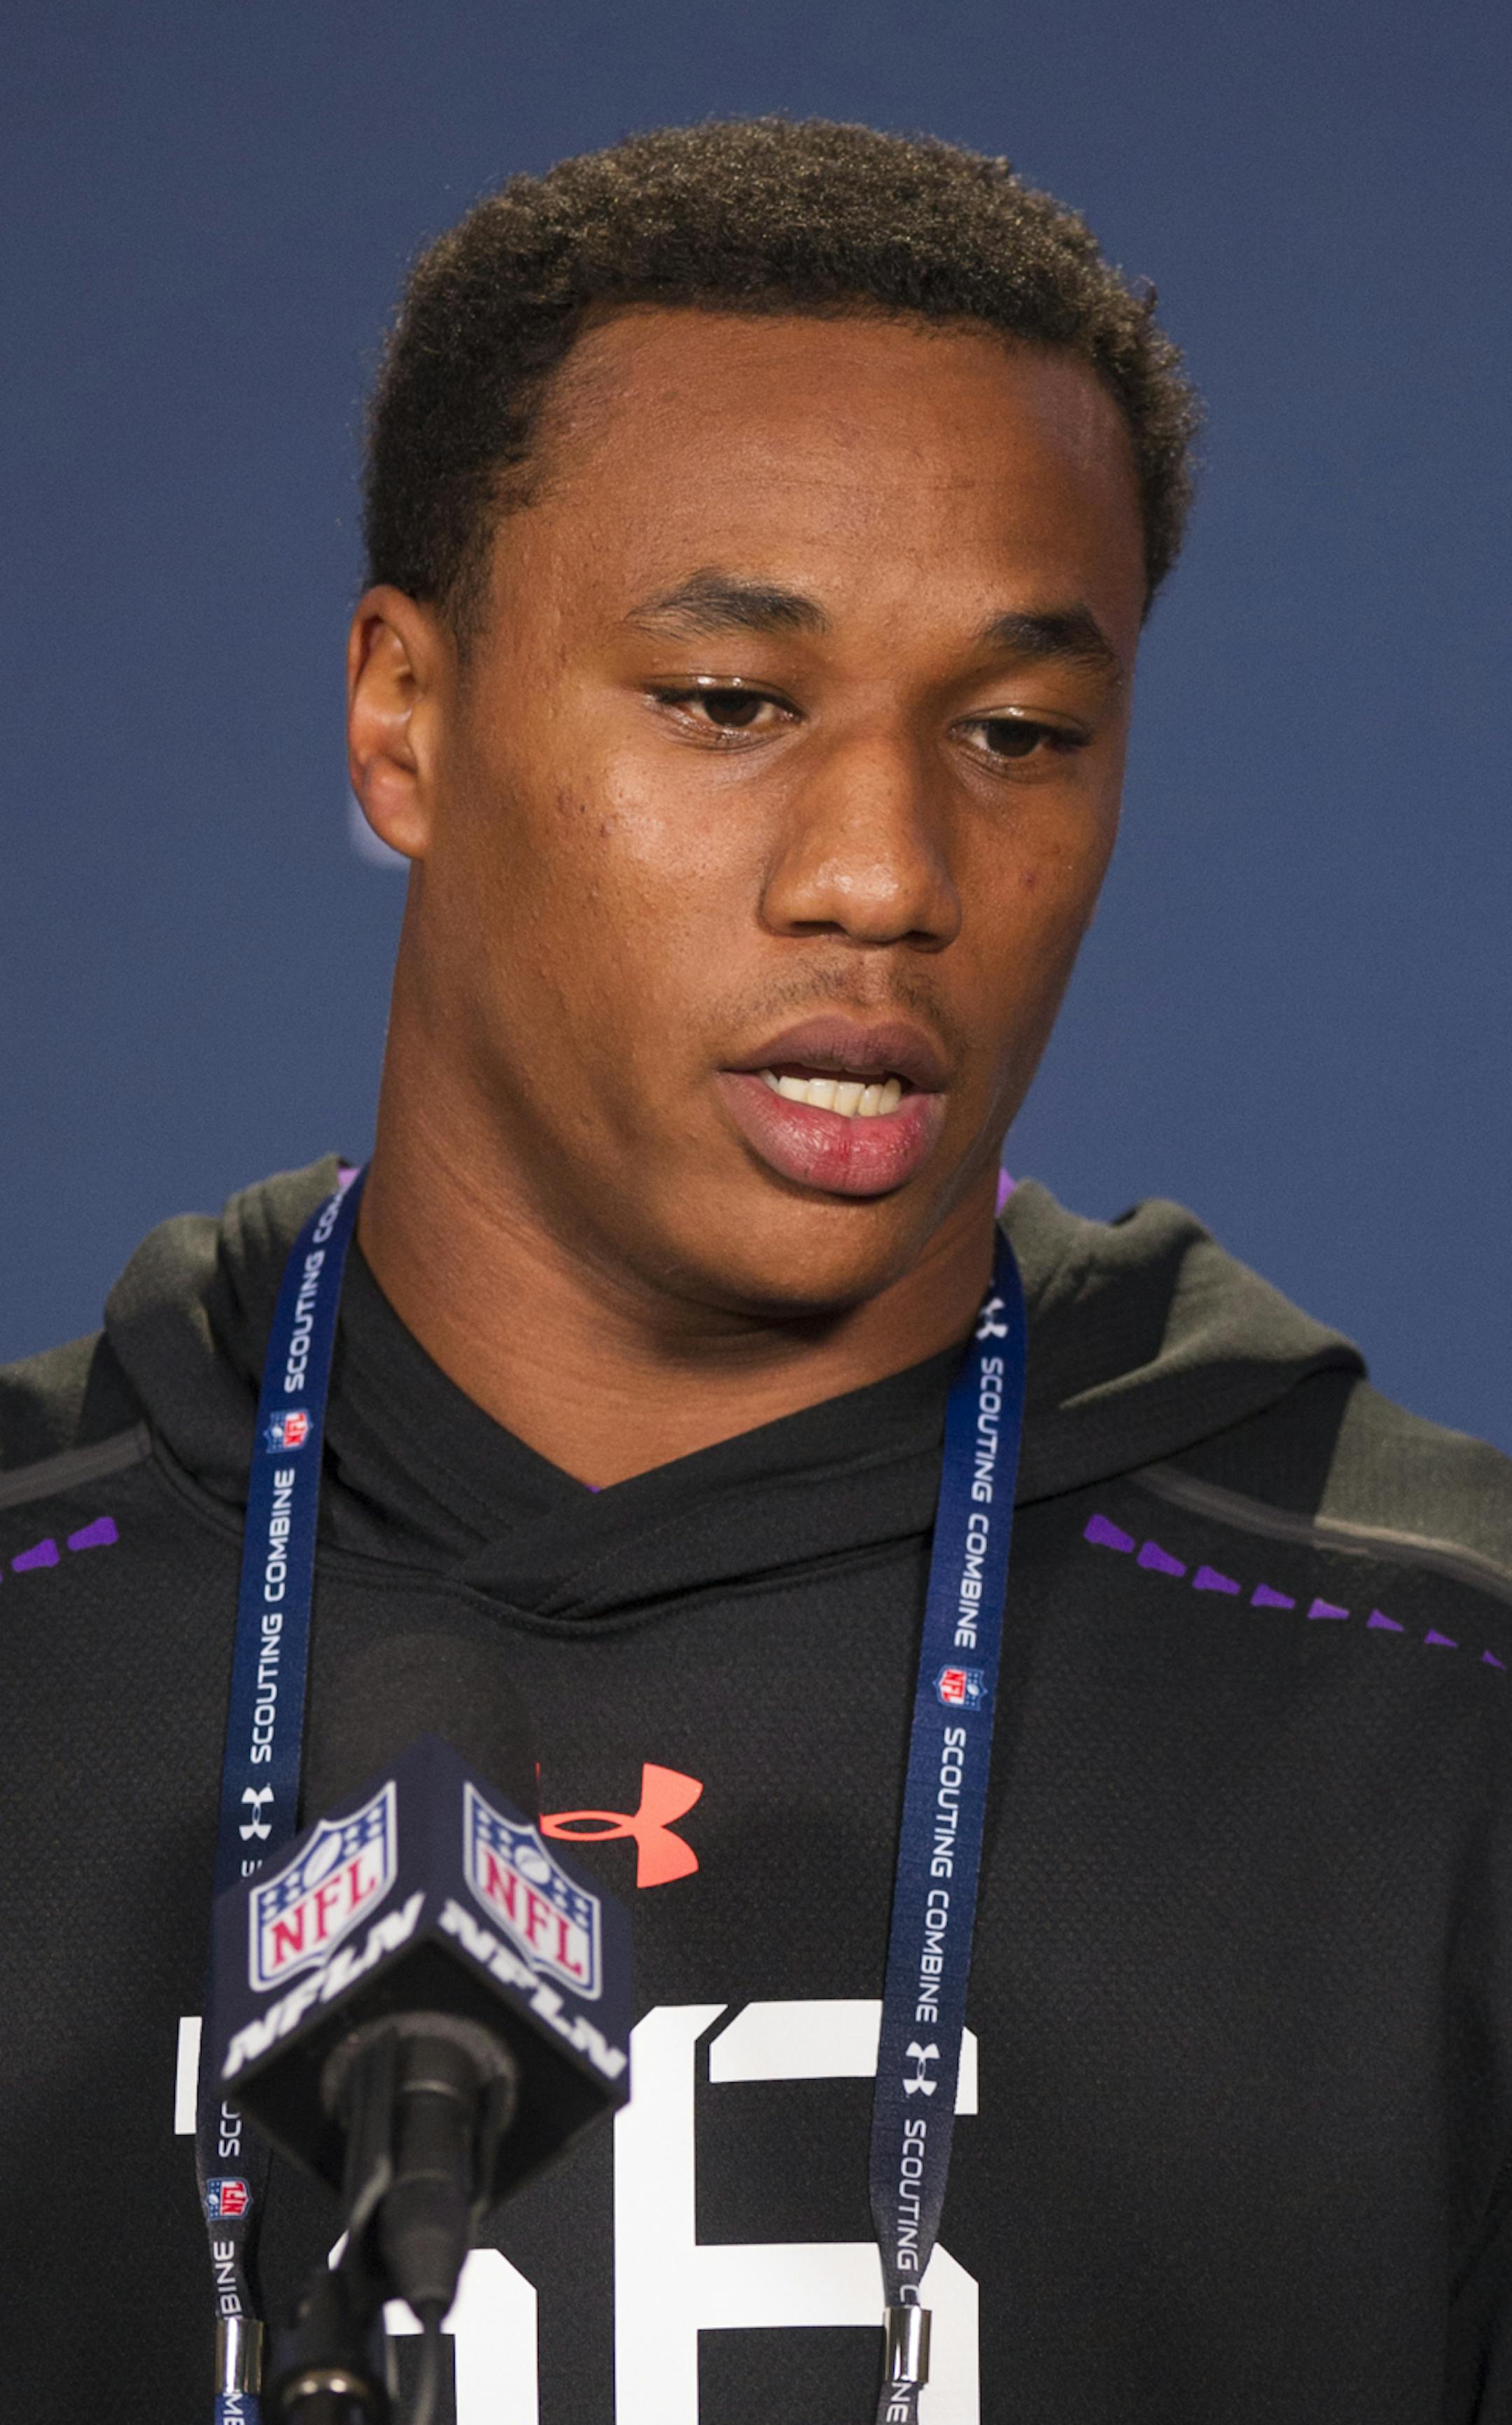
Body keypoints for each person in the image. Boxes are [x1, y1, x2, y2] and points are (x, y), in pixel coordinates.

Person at [1, 115, 1508, 2425]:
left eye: (1020, 734)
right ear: (402, 715)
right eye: (730, 705)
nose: (889, 873)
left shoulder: (1434, 1701)